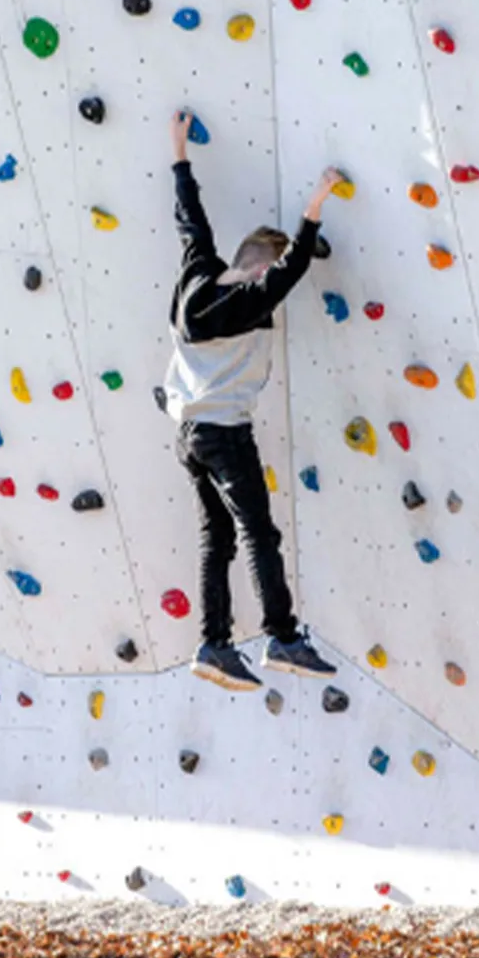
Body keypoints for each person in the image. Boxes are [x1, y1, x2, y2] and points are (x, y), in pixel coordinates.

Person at [165, 109, 341, 692]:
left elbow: (191, 224)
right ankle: (282, 636)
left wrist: (180, 155)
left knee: (216, 536)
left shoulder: (197, 280)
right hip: (224, 431)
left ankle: (213, 644)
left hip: (188, 434)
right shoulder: (245, 302)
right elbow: (286, 276)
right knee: (258, 534)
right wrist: (315, 204)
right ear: (261, 266)